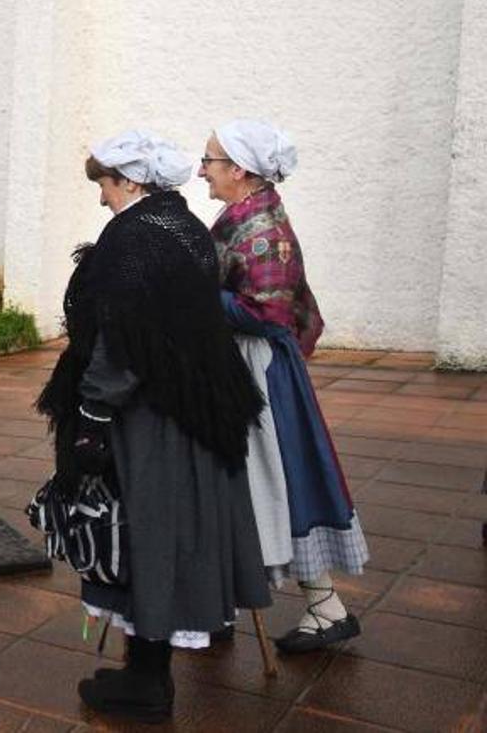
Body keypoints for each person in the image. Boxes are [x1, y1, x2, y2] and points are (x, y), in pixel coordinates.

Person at [36, 130, 270, 724]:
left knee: (147, 536)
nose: (100, 197)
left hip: (151, 417)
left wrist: (92, 413)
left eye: (105, 184)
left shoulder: (137, 238)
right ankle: (146, 671)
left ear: (133, 181)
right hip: (191, 410)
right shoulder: (183, 225)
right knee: (166, 536)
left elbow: (121, 339)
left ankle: (147, 684)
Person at [200, 119, 368, 652]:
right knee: (256, 481)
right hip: (247, 364)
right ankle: (227, 604)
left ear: (240, 170)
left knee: (279, 480)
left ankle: (325, 607)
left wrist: (194, 295)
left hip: (261, 371)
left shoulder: (261, 229)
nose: (203, 169)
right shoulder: (243, 216)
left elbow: (267, 313)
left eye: (211, 160)